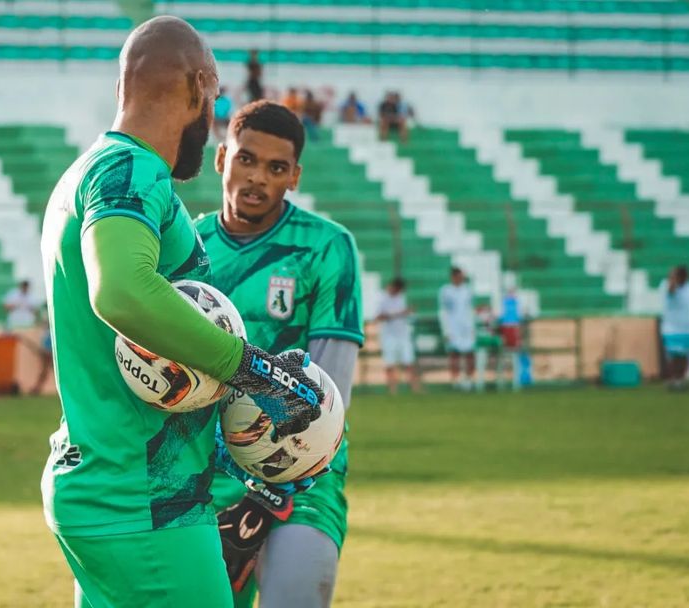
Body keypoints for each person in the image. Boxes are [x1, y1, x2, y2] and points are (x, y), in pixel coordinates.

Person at [39, 17, 326, 608]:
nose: (214, 112)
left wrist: (235, 431)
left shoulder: (88, 172)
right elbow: (120, 293)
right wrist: (252, 370)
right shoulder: (131, 171)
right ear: (199, 85)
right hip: (143, 503)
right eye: (216, 95)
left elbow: (146, 365)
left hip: (112, 490)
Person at [197, 100, 364, 608]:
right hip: (202, 476)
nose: (257, 178)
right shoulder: (188, 246)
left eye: (275, 168)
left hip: (305, 475)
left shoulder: (327, 248)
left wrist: (263, 501)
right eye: (247, 159)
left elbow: (329, 398)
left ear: (294, 176)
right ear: (222, 157)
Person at [377, 278, 421, 395]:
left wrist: (408, 313)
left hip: (403, 335)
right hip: (388, 336)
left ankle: (415, 388)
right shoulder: (382, 298)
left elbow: (409, 315)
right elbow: (378, 317)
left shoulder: (402, 297)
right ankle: (392, 390)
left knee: (409, 362)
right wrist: (399, 313)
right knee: (390, 364)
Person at [660, 265, 689, 391]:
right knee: (674, 356)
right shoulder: (667, 285)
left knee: (685, 356)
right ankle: (674, 379)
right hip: (672, 328)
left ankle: (681, 380)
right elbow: (670, 292)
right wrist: (672, 279)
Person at [439, 267, 476, 391]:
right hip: (452, 327)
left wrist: (472, 327)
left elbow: (469, 310)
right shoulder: (445, 291)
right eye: (458, 276)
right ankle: (455, 380)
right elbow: (443, 311)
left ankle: (469, 379)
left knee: (470, 353)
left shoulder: (467, 290)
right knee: (454, 354)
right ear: (453, 277)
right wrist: (446, 330)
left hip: (466, 327)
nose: (460, 279)